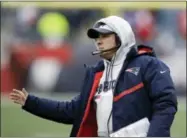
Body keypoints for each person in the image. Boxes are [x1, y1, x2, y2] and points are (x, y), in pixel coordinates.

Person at [10, 16, 178, 137]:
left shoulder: (148, 65)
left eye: (105, 36)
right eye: (97, 37)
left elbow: (165, 105)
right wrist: (30, 102)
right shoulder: (97, 74)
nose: (99, 41)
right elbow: (72, 111)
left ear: (121, 37)